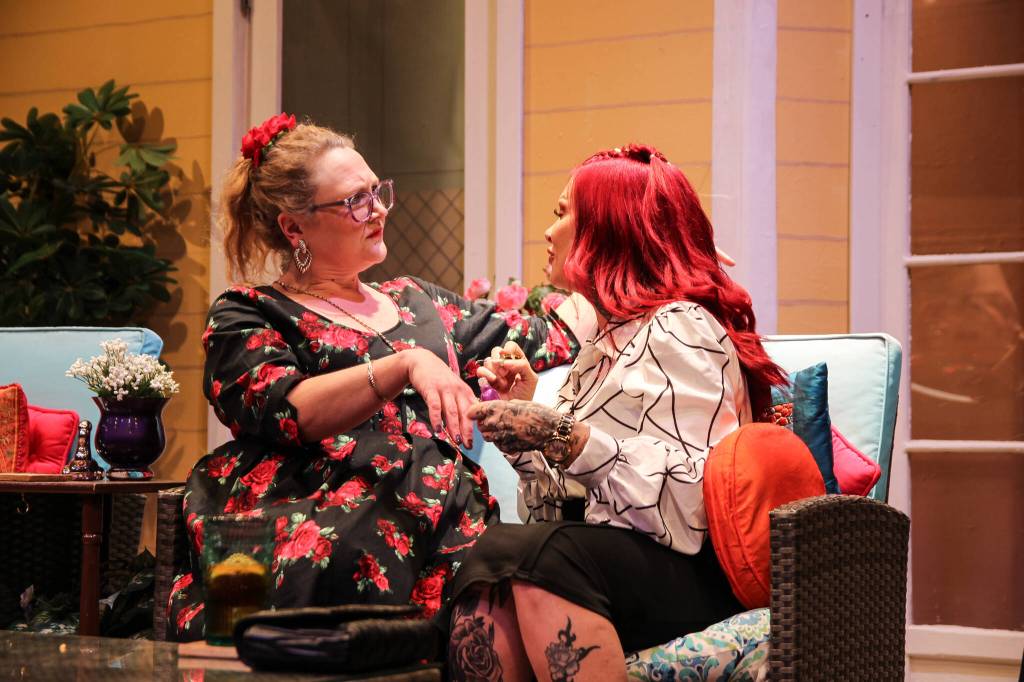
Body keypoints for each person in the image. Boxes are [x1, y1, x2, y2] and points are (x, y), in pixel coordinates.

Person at [166, 113, 580, 641]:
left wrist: (674, 273)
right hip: (311, 512)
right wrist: (401, 365)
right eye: (354, 201)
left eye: (376, 191)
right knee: (339, 560)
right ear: (294, 226)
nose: (378, 210)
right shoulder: (249, 314)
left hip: (440, 514)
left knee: (516, 574)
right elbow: (292, 410)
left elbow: (551, 336)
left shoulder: (418, 303)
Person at [448, 144, 788, 681]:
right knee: (496, 559)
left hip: (687, 570)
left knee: (538, 557)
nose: (548, 231)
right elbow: (553, 515)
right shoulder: (601, 349)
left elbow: (686, 504)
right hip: (607, 566)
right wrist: (527, 433)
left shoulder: (681, 327)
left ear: (608, 230)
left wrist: (566, 436)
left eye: (562, 214)